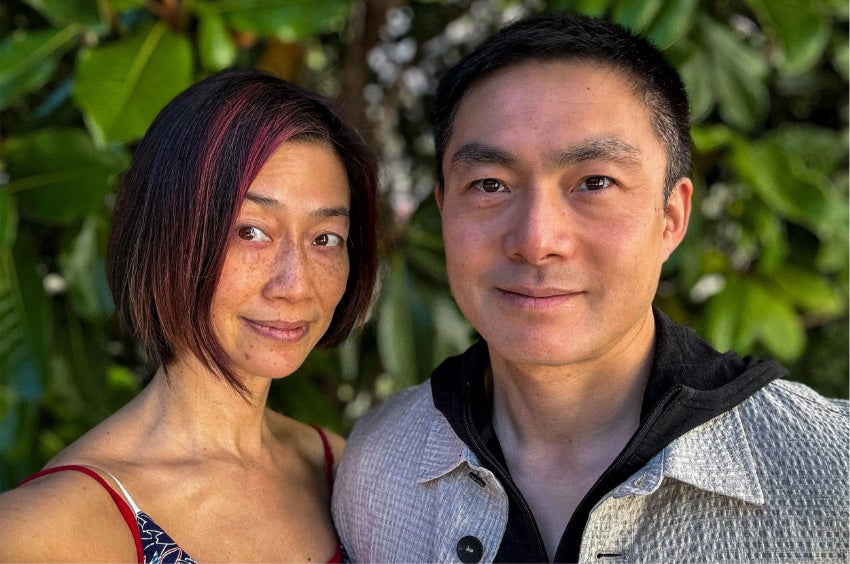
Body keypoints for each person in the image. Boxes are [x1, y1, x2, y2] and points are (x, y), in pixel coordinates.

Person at [332, 12, 848, 563]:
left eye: (595, 182)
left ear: (671, 217)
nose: (536, 240)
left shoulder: (829, 473)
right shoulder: (380, 464)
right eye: (489, 185)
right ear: (443, 211)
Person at [0, 69, 378, 562]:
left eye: (325, 239)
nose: (297, 285)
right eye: (251, 232)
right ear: (167, 234)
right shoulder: (40, 534)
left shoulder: (342, 472)